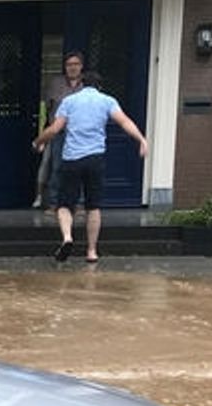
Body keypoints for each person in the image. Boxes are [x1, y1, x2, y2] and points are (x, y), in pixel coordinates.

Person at [32, 71, 148, 264]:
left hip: (72, 159)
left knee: (64, 204)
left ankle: (68, 237)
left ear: (81, 84)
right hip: (95, 159)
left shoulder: (69, 102)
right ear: (100, 86)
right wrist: (141, 140)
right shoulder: (107, 101)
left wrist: (38, 141)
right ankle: (92, 251)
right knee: (93, 206)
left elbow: (55, 128)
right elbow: (124, 122)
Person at [34, 51, 85, 211]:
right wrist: (43, 135)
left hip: (79, 135)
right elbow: (44, 109)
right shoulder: (55, 84)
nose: (72, 68)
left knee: (79, 168)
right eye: (69, 64)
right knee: (56, 168)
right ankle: (53, 203)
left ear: (81, 66)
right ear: (65, 66)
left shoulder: (86, 86)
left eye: (76, 64)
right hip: (57, 133)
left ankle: (79, 203)